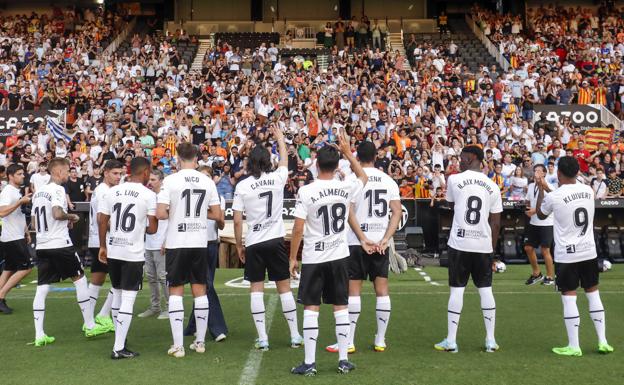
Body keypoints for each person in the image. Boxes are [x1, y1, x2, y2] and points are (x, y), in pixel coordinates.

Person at [289, 130, 368, 376]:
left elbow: (298, 227)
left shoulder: (307, 191)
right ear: (336, 166)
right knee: (340, 306)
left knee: (311, 307)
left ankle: (310, 363)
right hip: (339, 255)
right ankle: (343, 360)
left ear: (316, 165)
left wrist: (292, 257)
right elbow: (363, 176)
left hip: (314, 257)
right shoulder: (344, 187)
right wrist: (348, 153)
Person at [325, 141, 401, 354]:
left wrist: (361, 238)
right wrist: (386, 238)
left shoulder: (353, 179)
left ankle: (349, 341)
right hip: (379, 241)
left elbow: (347, 212)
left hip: (356, 242)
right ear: (376, 156)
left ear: (357, 156)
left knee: (353, 292)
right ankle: (380, 339)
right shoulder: (388, 180)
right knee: (382, 291)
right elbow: (396, 211)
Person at [233, 126, 303, 350]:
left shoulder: (243, 185)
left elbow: (236, 220)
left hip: (254, 241)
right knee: (284, 287)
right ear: (267, 161)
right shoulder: (276, 178)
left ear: (250, 162)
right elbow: (284, 162)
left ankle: (263, 337)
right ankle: (294, 335)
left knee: (256, 288)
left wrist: (238, 245)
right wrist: (281, 139)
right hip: (275, 240)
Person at [536, 156, 614, 356]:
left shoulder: (555, 196)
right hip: (588, 251)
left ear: (559, 173)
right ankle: (603, 341)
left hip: (567, 255)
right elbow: (566, 199)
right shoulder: (588, 191)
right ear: (577, 172)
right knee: (593, 293)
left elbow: (541, 213)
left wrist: (541, 188)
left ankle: (574, 345)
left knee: (569, 297)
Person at [31, 158, 109, 347]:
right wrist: (71, 216)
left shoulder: (38, 193)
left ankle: (39, 334)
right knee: (80, 280)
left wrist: (55, 224)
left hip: (42, 245)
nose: (68, 174)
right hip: (59, 244)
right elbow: (57, 213)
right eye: (66, 171)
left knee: (42, 288)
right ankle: (90, 325)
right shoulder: (57, 190)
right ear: (58, 172)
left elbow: (33, 223)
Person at [156, 142, 222, 358]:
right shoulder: (207, 181)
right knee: (200, 290)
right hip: (199, 241)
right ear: (196, 159)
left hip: (177, 241)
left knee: (176, 290)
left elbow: (160, 214)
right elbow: (217, 214)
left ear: (177, 158)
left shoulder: (170, 180)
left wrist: (176, 212)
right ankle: (200, 342)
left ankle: (178, 345)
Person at [434, 145, 502, 353]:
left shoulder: (454, 179)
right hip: (482, 245)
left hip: (460, 243)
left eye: (462, 158)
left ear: (472, 157)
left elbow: (451, 205)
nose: (459, 161)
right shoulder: (493, 186)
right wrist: (491, 250)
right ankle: (490, 340)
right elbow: (496, 223)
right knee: (486, 290)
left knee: (457, 290)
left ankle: (451, 340)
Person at [97, 156, 157, 359]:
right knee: (128, 298)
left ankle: (119, 339)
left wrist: (103, 245)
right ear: (146, 172)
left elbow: (102, 220)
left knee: (117, 292)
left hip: (114, 249)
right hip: (133, 252)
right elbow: (153, 228)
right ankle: (118, 347)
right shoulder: (148, 194)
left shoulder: (112, 191)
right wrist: (142, 225)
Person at [185, 165, 228, 342]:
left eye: (208, 176)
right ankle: (216, 328)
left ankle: (196, 326)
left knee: (203, 284)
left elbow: (222, 224)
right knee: (205, 284)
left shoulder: (218, 197)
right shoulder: (192, 196)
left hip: (211, 244)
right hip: (196, 243)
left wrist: (217, 217)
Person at [86, 160, 124, 332]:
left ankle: (90, 319)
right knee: (120, 280)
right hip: (105, 242)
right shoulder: (104, 192)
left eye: (120, 174)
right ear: (106, 172)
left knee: (97, 280)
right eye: (115, 173)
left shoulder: (102, 190)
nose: (119, 177)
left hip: (97, 240)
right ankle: (102, 315)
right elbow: (102, 219)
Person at [0, 164, 33, 314]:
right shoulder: (7, 191)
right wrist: (20, 202)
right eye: (19, 174)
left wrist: (26, 232)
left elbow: (18, 215)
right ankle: (1, 296)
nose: (23, 176)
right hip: (12, 237)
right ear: (11, 176)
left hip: (16, 235)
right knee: (26, 268)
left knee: (9, 269)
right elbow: (2, 212)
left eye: (22, 173)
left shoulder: (15, 191)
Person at [138, 169, 169, 320]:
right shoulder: (147, 197)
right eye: (149, 179)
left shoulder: (165, 196)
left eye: (153, 179)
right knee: (151, 276)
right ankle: (155, 306)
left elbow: (171, 220)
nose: (150, 182)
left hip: (161, 242)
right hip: (149, 242)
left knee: (163, 277)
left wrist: (167, 240)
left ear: (161, 180)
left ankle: (170, 308)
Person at [523, 164, 555, 286]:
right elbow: (529, 201)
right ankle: (537, 273)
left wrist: (534, 210)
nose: (536, 172)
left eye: (539, 171)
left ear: (544, 173)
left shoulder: (549, 186)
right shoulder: (531, 186)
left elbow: (551, 201)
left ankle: (550, 277)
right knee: (528, 247)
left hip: (546, 223)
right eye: (535, 170)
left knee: (545, 250)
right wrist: (526, 208)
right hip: (534, 222)